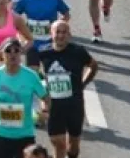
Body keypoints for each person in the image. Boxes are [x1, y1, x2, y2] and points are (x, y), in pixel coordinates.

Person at [0, 37, 49, 158]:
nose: (13, 54)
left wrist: (44, 111)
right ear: (2, 54)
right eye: (8, 51)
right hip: (1, 133)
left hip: (25, 134)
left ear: (21, 53)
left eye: (16, 50)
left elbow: (45, 97)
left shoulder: (31, 76)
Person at [39, 20, 98, 158]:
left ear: (69, 35)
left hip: (74, 105)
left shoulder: (78, 52)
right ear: (51, 33)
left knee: (73, 147)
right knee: (57, 141)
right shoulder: (43, 53)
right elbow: (40, 74)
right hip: (55, 105)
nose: (60, 35)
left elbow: (93, 66)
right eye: (57, 32)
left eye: (64, 32)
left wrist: (84, 82)